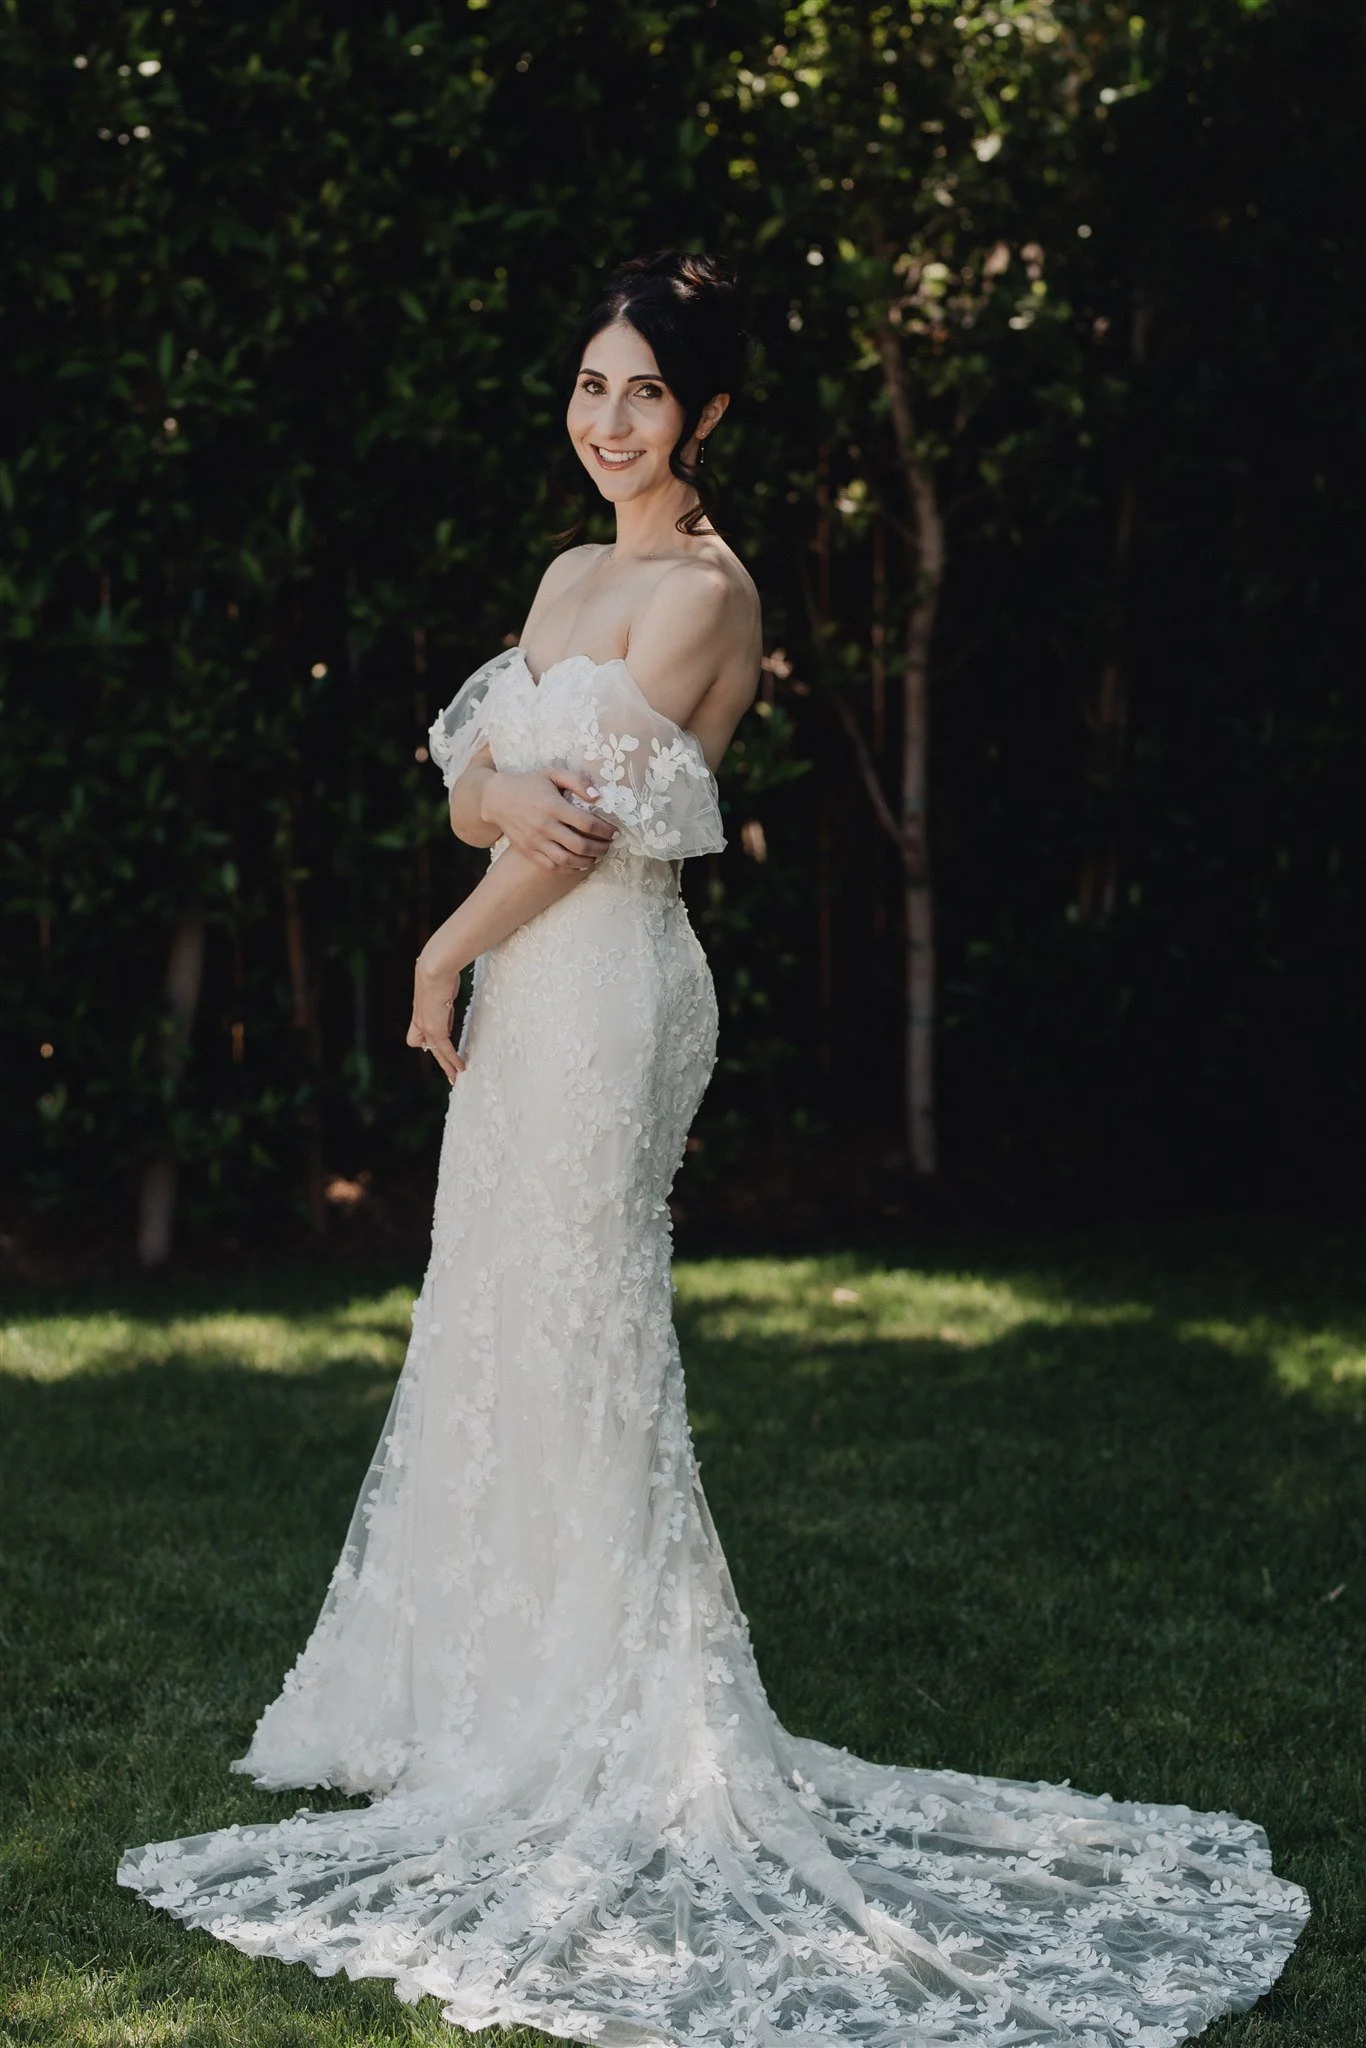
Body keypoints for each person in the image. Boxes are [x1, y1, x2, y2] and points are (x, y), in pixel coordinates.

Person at [119, 251, 1307, 2047]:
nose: (610, 421)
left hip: (601, 990)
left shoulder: (696, 591)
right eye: (592, 387)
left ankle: (606, 1715)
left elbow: (586, 831)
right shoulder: (564, 567)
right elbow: (480, 776)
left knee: (585, 1322)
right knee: (493, 1311)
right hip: (531, 970)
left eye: (645, 393)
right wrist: (485, 823)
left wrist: (444, 941)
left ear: (708, 414)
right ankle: (479, 1691)